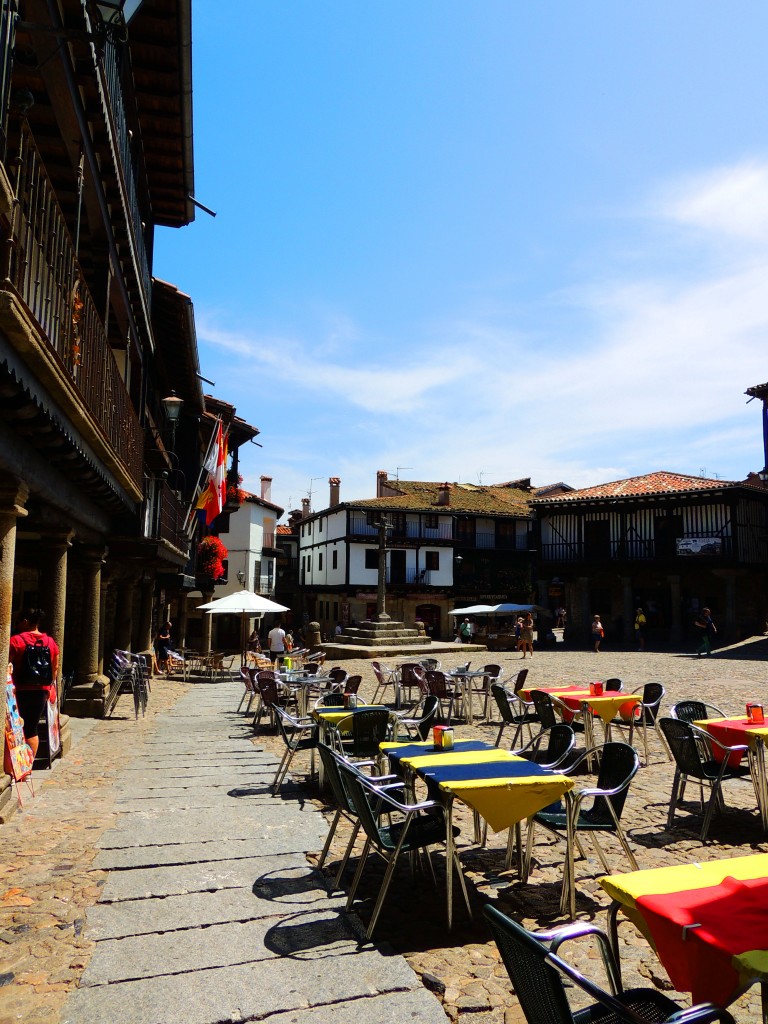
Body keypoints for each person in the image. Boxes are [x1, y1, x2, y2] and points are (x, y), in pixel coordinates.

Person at [9, 608, 59, 758]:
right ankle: (28, 768)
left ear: (25, 622)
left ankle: (18, 766)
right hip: (41, 691)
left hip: (18, 691)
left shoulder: (15, 641)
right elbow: (55, 667)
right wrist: (49, 687)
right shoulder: (50, 642)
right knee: (32, 728)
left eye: (17, 622)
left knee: (15, 728)